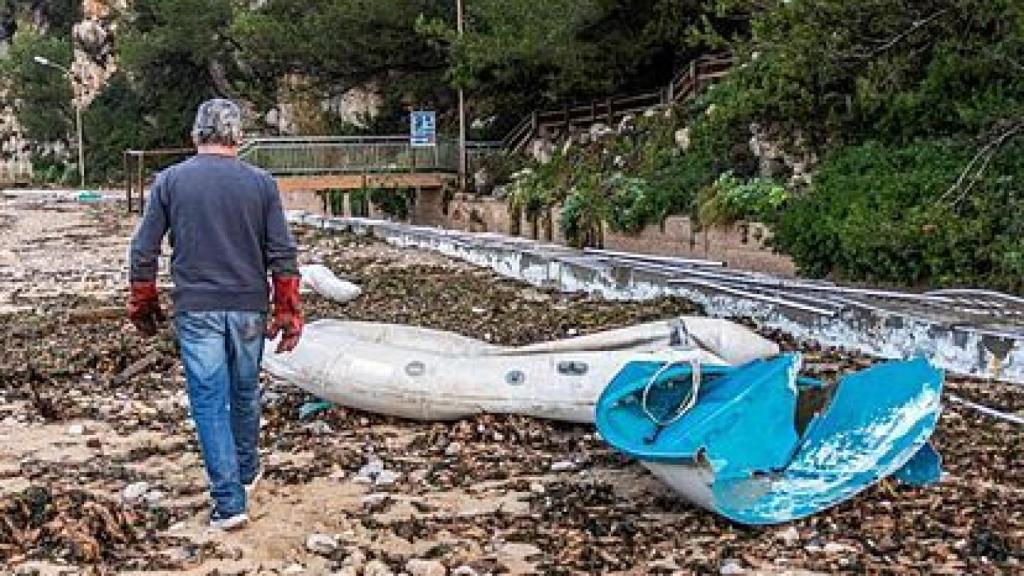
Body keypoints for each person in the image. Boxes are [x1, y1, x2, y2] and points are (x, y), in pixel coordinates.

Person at [127, 98, 303, 530]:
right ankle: (245, 472)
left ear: (195, 135)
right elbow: (283, 252)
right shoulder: (261, 184)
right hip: (248, 308)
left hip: (197, 307)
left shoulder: (170, 181)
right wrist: (288, 311)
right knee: (244, 393)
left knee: (209, 401)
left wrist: (144, 302)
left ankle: (229, 502)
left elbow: (143, 250)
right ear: (238, 137)